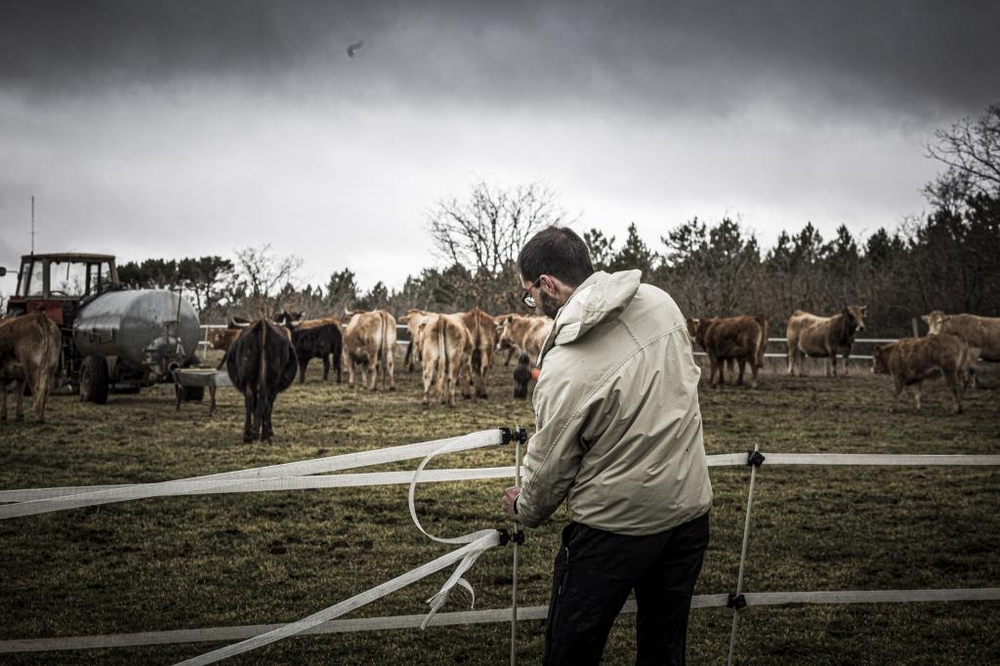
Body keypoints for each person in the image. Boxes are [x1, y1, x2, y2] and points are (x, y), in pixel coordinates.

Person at [501, 226, 713, 665]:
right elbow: (683, 386)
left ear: (547, 285)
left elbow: (551, 461)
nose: (532, 305)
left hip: (613, 528)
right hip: (688, 512)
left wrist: (525, 506)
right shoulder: (661, 304)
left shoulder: (565, 365)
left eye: (529, 295)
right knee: (664, 646)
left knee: (570, 650)